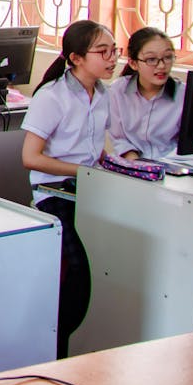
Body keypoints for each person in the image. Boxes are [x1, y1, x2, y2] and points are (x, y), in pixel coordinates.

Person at [20, 19, 118, 358]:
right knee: (79, 271)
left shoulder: (103, 93)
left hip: (90, 188)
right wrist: (84, 171)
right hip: (57, 194)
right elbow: (31, 158)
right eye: (102, 52)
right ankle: (59, 344)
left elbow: (92, 148)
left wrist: (114, 164)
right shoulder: (53, 96)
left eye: (114, 51)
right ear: (76, 58)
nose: (111, 58)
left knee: (119, 253)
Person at [108, 27, 182, 161]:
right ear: (133, 63)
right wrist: (137, 165)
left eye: (167, 57)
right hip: (132, 165)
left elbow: (188, 144)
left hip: (172, 166)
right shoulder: (117, 91)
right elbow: (119, 139)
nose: (161, 66)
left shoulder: (184, 94)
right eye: (151, 59)